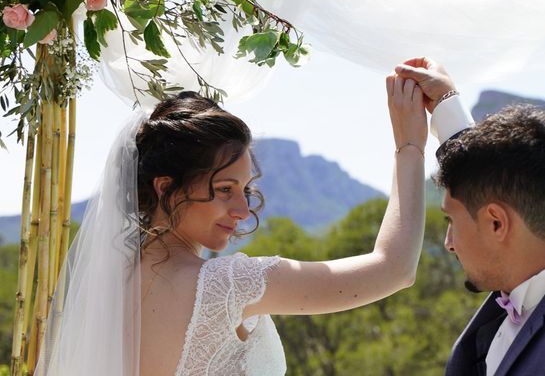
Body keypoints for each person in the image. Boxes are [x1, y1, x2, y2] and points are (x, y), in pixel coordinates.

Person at [35, 66, 455, 375]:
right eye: (223, 190)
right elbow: (394, 269)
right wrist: (410, 147)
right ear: (164, 187)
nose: (241, 209)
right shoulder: (228, 286)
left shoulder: (99, 292)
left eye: (245, 189)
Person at [397, 58, 545, 376]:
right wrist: (446, 106)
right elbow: (489, 181)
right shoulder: (527, 283)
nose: (449, 243)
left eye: (451, 222)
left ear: (497, 223)